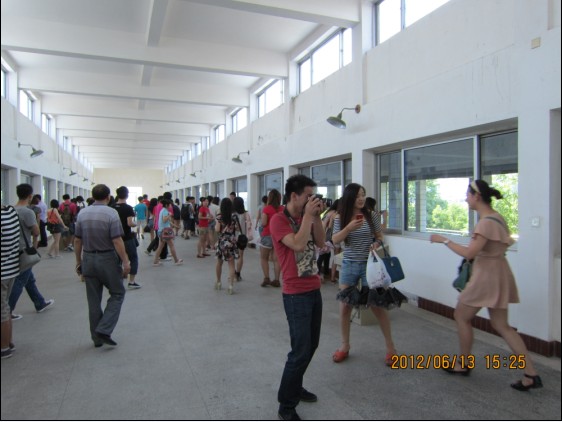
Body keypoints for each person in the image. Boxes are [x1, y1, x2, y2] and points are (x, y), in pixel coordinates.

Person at [430, 179, 543, 391]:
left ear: (477, 196)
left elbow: (469, 253)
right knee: (502, 325)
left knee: (461, 316)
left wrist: (444, 240)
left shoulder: (485, 223)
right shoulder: (497, 218)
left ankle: (463, 364)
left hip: (486, 276)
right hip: (500, 273)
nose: (466, 199)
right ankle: (531, 373)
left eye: (467, 195)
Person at [269, 174, 325, 421]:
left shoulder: (307, 217)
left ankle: (295, 384)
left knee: (311, 345)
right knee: (300, 350)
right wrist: (309, 217)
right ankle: (286, 405)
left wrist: (317, 217)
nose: (312, 200)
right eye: (308, 196)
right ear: (294, 196)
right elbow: (298, 244)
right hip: (295, 294)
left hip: (314, 288)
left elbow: (320, 242)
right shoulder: (278, 220)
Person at [331, 183, 397, 366]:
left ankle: (391, 348)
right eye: (358, 195)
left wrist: (376, 243)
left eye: (363, 195)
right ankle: (344, 346)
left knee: (377, 306)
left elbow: (379, 236)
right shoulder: (340, 217)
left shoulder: (371, 215)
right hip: (349, 264)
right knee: (345, 307)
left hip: (369, 265)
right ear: (349, 197)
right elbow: (335, 240)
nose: (361, 199)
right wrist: (348, 228)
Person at [74, 184, 131, 347]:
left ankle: (97, 338)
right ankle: (104, 329)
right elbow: (117, 240)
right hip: (107, 259)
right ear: (108, 197)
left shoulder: (82, 213)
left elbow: (77, 240)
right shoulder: (111, 213)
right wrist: (125, 261)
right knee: (118, 293)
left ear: (93, 197)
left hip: (88, 258)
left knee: (93, 300)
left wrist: (78, 262)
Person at [8, 184, 55, 321]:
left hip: (13, 249)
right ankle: (7, 311)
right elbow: (36, 231)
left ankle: (39, 302)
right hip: (25, 251)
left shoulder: (11, 210)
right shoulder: (27, 212)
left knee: (29, 279)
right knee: (20, 280)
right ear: (30, 196)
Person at [1, 205, 20, 359]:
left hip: (2, 271)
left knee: (2, 311)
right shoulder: (10, 211)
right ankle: (8, 341)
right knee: (5, 308)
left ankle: (4, 347)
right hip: (11, 267)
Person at [114, 187, 141, 289]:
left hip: (115, 237)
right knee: (133, 258)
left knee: (117, 260)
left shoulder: (112, 207)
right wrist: (136, 224)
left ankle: (117, 281)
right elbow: (129, 223)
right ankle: (131, 281)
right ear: (127, 195)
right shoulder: (128, 208)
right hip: (127, 237)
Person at [214, 198, 239, 294]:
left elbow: (217, 229)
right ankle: (231, 286)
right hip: (231, 242)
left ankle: (218, 282)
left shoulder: (219, 217)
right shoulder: (234, 217)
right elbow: (236, 228)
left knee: (219, 262)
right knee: (231, 264)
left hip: (222, 242)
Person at [259, 189, 284, 287]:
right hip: (279, 236)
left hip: (267, 235)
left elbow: (264, 223)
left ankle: (266, 278)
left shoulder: (267, 209)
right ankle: (277, 280)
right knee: (276, 259)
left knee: (264, 258)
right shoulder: (283, 209)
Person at [152, 198, 183, 266]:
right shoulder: (165, 211)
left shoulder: (163, 210)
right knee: (171, 245)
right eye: (170, 205)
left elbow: (168, 222)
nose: (171, 206)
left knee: (160, 247)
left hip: (162, 230)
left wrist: (176, 226)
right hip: (165, 231)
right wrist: (169, 215)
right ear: (166, 205)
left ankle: (155, 261)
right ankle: (176, 260)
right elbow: (164, 220)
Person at [233, 196, 252, 281]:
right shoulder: (245, 213)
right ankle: (238, 274)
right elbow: (249, 225)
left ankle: (233, 273)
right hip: (242, 238)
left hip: (232, 237)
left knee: (232, 256)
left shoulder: (232, 214)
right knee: (240, 256)